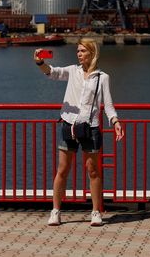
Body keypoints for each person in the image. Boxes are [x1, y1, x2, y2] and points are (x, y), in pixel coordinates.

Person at [33, 38, 124, 227]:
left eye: (82, 51)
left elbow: (108, 105)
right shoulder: (72, 71)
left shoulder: (102, 77)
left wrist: (115, 121)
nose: (79, 54)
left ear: (91, 52)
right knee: (62, 170)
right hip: (69, 125)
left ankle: (96, 212)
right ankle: (56, 211)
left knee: (93, 171)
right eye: (78, 51)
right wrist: (40, 62)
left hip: (90, 127)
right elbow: (52, 73)